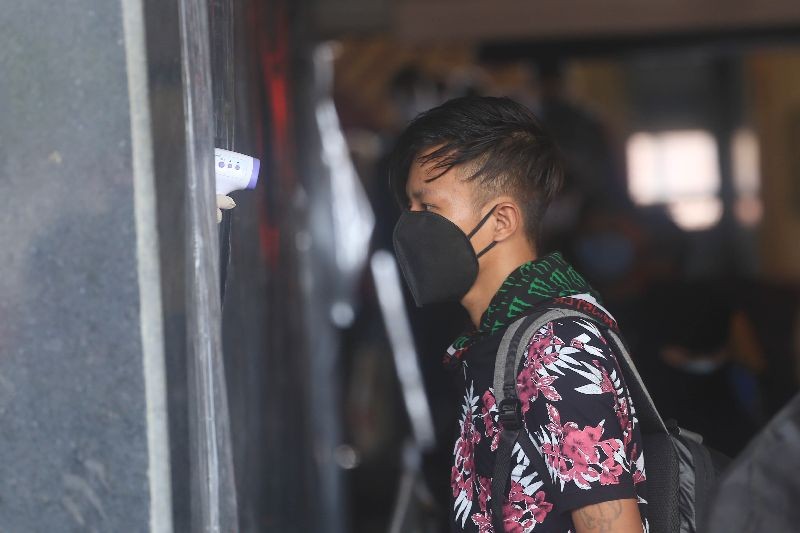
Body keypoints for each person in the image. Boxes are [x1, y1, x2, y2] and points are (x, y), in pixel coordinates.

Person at [390, 96, 648, 532]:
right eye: (409, 208)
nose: (410, 226)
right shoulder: (499, 340)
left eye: (429, 208)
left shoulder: (556, 349)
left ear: (501, 221)